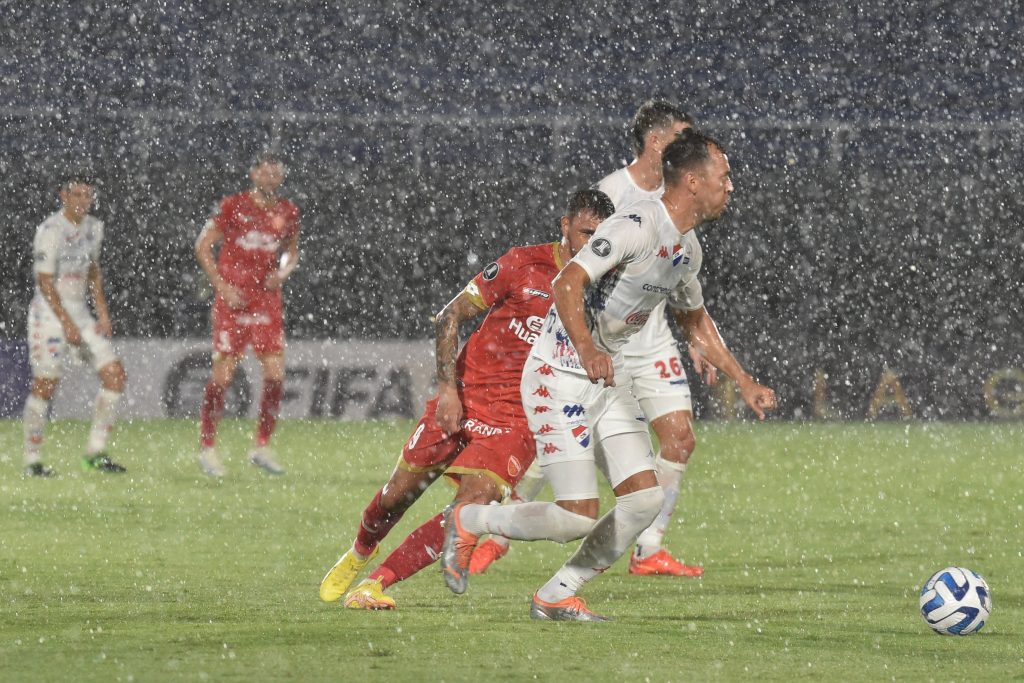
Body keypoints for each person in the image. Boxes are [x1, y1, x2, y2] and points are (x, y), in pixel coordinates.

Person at [441, 129, 777, 621]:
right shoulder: (634, 226)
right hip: (557, 377)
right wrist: (586, 345)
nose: (731, 187)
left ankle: (556, 594)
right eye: (723, 177)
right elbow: (567, 281)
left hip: (605, 382)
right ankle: (471, 521)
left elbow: (694, 320)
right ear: (692, 181)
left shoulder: (688, 250)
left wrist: (742, 379)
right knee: (576, 516)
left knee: (644, 500)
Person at [318, 189, 614, 609]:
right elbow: (449, 315)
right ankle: (361, 551)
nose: (593, 245)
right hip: (465, 395)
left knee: (470, 508)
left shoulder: (605, 287)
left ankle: (375, 585)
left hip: (517, 418)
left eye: (601, 237)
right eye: (586, 232)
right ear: (564, 226)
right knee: (393, 498)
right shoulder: (522, 264)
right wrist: (446, 391)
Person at [470, 100, 715, 578]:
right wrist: (575, 340)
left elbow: (679, 281)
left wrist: (700, 342)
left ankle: (647, 550)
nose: (690, 149)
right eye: (682, 137)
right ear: (656, 141)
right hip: (598, 342)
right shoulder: (613, 193)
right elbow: (573, 273)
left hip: (649, 337)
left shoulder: (683, 205)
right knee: (562, 447)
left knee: (680, 438)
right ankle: (497, 532)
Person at [194, 152, 301, 476]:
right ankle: (207, 448)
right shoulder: (232, 206)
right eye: (265, 172)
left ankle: (261, 446)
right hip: (233, 300)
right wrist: (221, 286)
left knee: (275, 374)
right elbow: (203, 245)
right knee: (224, 375)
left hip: (266, 301)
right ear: (253, 174)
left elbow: (292, 251)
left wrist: (282, 274)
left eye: (276, 174)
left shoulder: (288, 211)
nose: (271, 178)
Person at [22, 174, 128, 477]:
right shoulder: (51, 230)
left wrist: (103, 312)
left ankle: (94, 452)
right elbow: (44, 281)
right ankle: (32, 461)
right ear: (63, 196)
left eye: (87, 195)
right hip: (49, 313)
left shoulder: (95, 228)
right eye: (77, 195)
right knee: (46, 383)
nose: (83, 201)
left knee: (115, 376)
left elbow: (93, 270)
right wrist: (66, 323)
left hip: (80, 312)